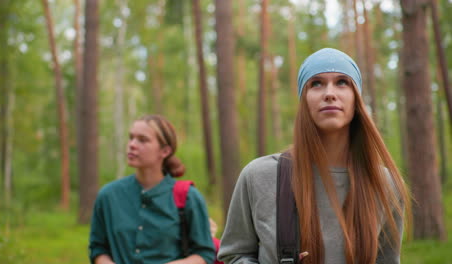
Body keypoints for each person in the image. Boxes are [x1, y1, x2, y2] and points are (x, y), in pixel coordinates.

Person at [218, 48, 410, 264]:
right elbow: (234, 254)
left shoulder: (386, 183)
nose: (329, 93)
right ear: (304, 100)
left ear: (357, 100)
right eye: (316, 83)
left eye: (342, 82)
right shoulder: (258, 176)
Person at [89, 114, 216, 264]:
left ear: (165, 151)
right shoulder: (108, 196)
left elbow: (205, 253)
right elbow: (98, 248)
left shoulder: (189, 197)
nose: (132, 144)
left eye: (143, 140)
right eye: (131, 138)